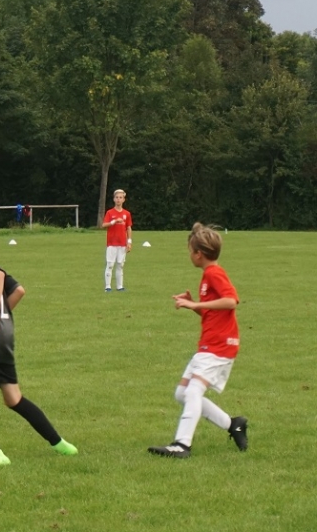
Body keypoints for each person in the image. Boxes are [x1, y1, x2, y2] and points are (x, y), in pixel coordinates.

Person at [0, 214, 78, 467]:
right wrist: (1, 315)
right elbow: (18, 290)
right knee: (14, 399)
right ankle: (61, 445)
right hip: (4, 338)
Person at [148, 223, 248, 459]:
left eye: (189, 251)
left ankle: (182, 445)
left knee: (193, 391)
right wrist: (193, 305)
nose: (189, 255)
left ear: (198, 254)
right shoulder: (207, 275)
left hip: (220, 345)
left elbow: (231, 301)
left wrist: (196, 303)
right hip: (209, 344)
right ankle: (233, 424)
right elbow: (211, 312)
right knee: (182, 393)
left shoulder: (214, 273)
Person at [102, 189, 132, 292]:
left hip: (122, 243)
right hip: (111, 243)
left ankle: (120, 286)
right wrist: (114, 221)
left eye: (120, 197)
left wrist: (129, 242)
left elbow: (128, 228)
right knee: (110, 264)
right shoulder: (110, 212)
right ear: (114, 199)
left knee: (120, 264)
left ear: (123, 199)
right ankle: (108, 286)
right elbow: (104, 225)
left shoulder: (127, 214)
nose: (118, 199)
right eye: (117, 197)